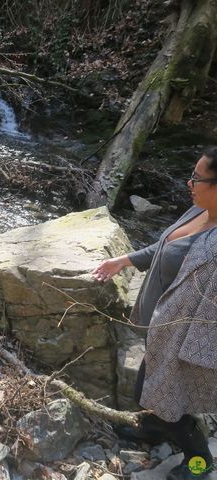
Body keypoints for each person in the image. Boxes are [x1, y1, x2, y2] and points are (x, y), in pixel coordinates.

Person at [93, 147, 217, 480]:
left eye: (197, 178)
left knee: (165, 398)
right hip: (161, 328)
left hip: (183, 339)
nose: (189, 182)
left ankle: (200, 461)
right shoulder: (199, 209)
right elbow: (165, 246)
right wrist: (124, 260)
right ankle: (155, 427)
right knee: (150, 390)